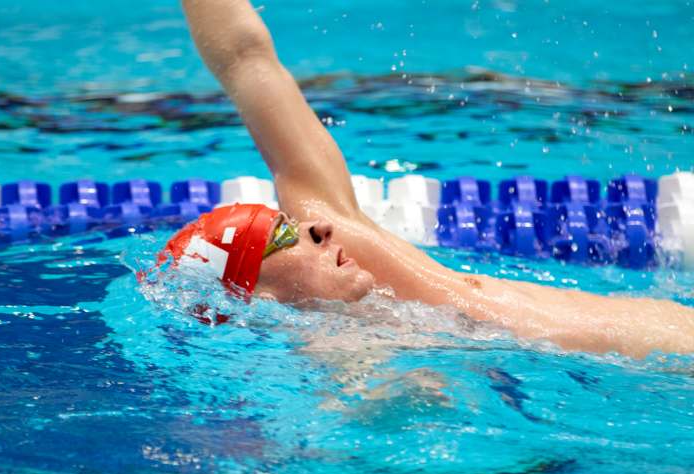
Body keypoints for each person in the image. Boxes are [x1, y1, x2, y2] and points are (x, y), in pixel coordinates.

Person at [166, 0, 694, 359]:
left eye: (291, 220)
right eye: (282, 235)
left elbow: (246, 59)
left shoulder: (354, 245)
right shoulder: (339, 349)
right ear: (254, 296)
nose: (316, 228)